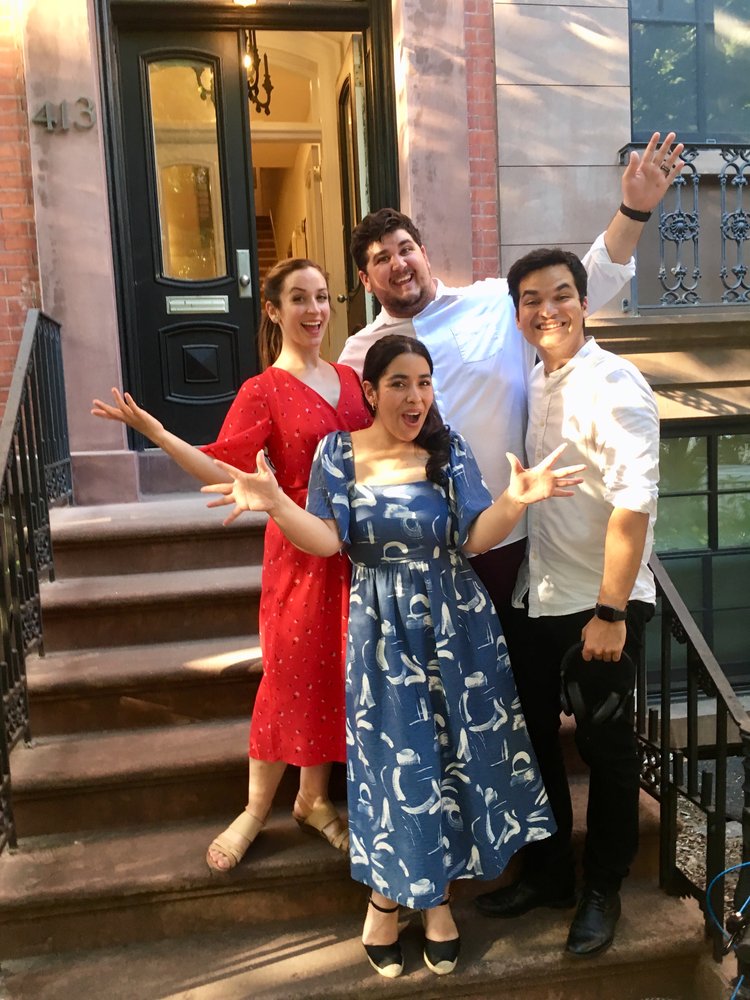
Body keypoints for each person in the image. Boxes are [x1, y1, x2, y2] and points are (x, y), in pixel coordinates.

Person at [202, 333, 586, 978]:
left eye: (424, 382)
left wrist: (516, 502)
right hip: (381, 632)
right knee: (395, 768)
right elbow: (326, 541)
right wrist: (274, 503)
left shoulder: (448, 449)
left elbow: (473, 537)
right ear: (371, 392)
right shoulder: (337, 453)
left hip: (457, 625)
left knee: (453, 766)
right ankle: (396, 900)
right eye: (400, 383)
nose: (415, 396)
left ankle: (424, 900)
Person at [91, 258, 372, 872]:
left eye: (322, 297)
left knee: (337, 672)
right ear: (272, 310)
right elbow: (224, 468)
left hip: (354, 551)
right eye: (299, 298)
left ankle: (314, 799)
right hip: (297, 553)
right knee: (289, 673)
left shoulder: (352, 381)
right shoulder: (261, 391)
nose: (315, 310)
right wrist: (161, 434)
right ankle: (253, 809)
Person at [338, 131, 681, 624]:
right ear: (367, 281)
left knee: (510, 683)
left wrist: (634, 210)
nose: (399, 264)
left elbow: (586, 281)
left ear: (424, 252)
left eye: (405, 248)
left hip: (509, 536)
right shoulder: (357, 355)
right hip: (423, 545)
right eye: (380, 259)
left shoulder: (493, 302)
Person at [474, 248, 659, 958]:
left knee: (607, 750)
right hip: (541, 591)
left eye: (560, 296)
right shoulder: (539, 378)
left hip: (599, 606)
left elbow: (634, 508)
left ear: (585, 303)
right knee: (535, 740)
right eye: (531, 299)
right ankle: (550, 872)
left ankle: (602, 888)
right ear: (519, 313)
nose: (546, 310)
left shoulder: (615, 386)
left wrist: (610, 613)